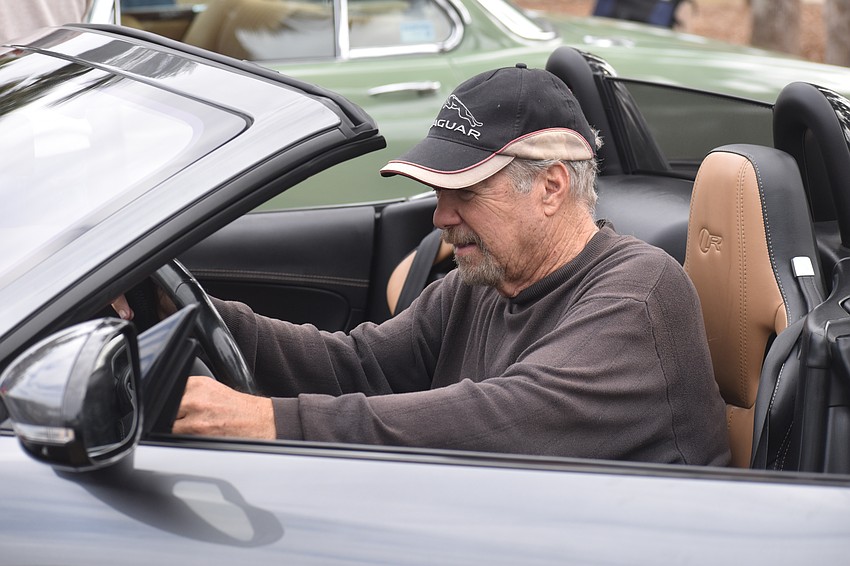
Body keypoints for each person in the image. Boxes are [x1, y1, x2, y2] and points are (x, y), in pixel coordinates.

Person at [116, 64, 730, 465]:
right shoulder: (487, 280)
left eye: (464, 193)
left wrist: (267, 420)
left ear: (550, 186)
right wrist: (180, 304)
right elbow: (363, 365)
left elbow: (498, 419)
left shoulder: (638, 295)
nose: (440, 218)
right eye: (438, 194)